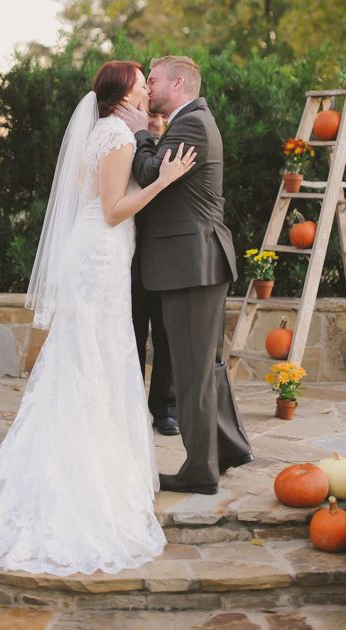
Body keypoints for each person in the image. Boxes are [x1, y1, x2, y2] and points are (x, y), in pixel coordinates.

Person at [0, 61, 195, 575]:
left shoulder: (114, 129)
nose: (145, 84)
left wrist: (149, 136)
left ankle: (96, 463)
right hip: (99, 256)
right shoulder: (114, 136)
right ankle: (86, 474)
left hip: (100, 256)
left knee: (92, 360)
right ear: (125, 93)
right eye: (139, 78)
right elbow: (112, 209)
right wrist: (166, 179)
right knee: (93, 360)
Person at [116, 55, 253, 495]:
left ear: (178, 82)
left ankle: (200, 471)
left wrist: (140, 132)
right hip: (197, 261)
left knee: (193, 371)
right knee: (206, 364)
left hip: (191, 264)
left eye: (152, 81)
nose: (147, 89)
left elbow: (152, 173)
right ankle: (228, 447)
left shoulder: (191, 124)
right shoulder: (189, 121)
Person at [132, 112, 178, 435]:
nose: (157, 120)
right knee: (132, 333)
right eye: (151, 114)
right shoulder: (130, 145)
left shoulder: (176, 143)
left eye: (161, 115)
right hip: (130, 255)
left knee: (165, 335)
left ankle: (165, 408)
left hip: (165, 258)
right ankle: (130, 406)